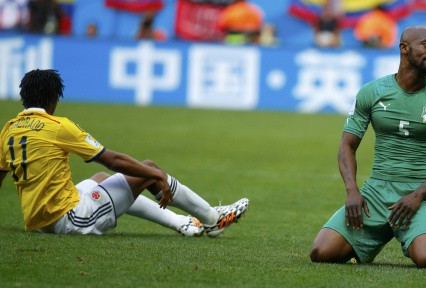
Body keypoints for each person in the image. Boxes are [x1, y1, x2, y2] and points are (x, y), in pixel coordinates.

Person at [0, 69, 249, 237]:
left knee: (100, 179)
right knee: (147, 169)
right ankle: (213, 219)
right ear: (54, 98)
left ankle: (182, 223)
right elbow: (113, 160)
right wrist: (157, 175)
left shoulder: (9, 129)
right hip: (70, 219)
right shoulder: (58, 126)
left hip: (38, 220)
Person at [310, 26, 426, 268]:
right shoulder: (372, 92)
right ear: (404, 48)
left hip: (417, 196)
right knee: (321, 252)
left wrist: (419, 195)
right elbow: (347, 145)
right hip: (375, 193)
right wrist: (352, 191)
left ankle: (414, 232)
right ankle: (371, 241)